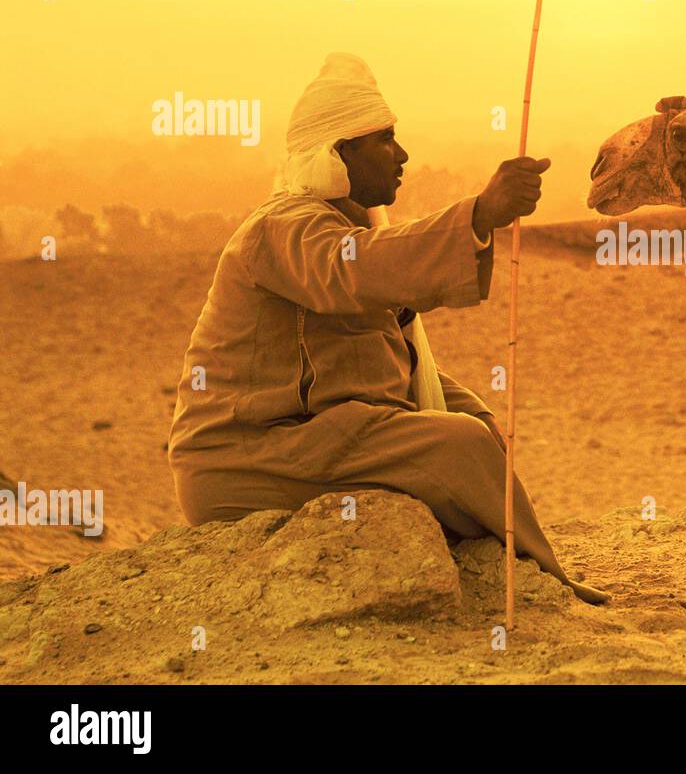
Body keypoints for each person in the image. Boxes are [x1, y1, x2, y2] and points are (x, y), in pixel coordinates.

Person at [167, 52, 607, 605]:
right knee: (459, 448)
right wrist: (478, 215)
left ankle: (509, 564)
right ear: (339, 152)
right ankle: (546, 581)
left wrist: (474, 408)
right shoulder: (281, 229)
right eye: (385, 140)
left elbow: (392, 352)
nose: (402, 155)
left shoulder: (348, 224)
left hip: (326, 437)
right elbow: (354, 269)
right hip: (248, 457)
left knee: (474, 429)